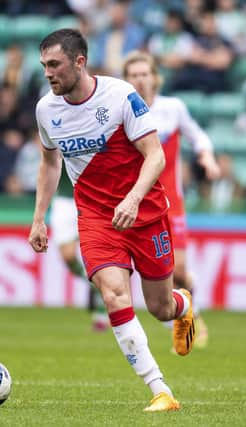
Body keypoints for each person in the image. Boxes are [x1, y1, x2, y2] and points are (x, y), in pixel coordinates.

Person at [28, 29, 194, 412]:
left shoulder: (120, 96)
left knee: (159, 309)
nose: (48, 73)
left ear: (79, 62)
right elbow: (50, 162)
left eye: (54, 65)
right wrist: (39, 219)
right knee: (114, 295)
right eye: (44, 66)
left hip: (146, 213)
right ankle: (160, 389)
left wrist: (134, 199)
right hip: (97, 218)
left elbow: (155, 156)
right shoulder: (45, 110)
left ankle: (181, 306)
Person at [122, 51, 220, 349]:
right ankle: (179, 317)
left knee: (178, 271)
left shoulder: (172, 108)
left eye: (144, 73)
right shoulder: (121, 111)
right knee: (149, 276)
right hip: (136, 202)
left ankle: (193, 316)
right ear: (126, 80)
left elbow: (199, 137)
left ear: (155, 77)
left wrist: (207, 158)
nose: (139, 79)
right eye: (133, 74)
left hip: (170, 203)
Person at [49, 170, 109, 332]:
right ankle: (94, 285)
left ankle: (102, 314)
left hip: (93, 198)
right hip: (64, 201)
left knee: (96, 254)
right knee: (68, 256)